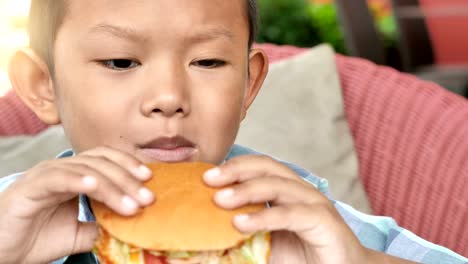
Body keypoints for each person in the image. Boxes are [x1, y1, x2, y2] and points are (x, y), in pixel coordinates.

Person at [0, 0, 466, 263]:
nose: (168, 96)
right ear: (44, 86)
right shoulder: (12, 218)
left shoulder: (296, 217)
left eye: (207, 61)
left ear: (249, 84)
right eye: (120, 61)